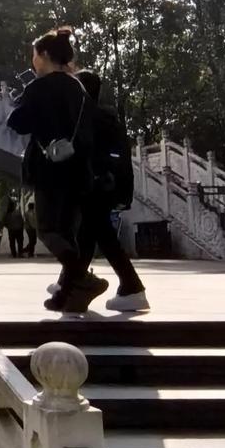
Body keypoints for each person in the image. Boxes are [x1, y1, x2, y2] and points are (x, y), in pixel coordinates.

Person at [6, 25, 99, 314]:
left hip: (48, 169)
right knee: (67, 232)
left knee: (47, 229)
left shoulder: (38, 87)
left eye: (34, 55)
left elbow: (17, 122)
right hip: (79, 169)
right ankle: (68, 297)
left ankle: (84, 279)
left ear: (44, 54)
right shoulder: (79, 87)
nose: (33, 60)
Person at [76, 70, 149, 313]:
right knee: (93, 233)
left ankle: (131, 287)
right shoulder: (104, 117)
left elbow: (90, 154)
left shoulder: (90, 118)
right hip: (106, 185)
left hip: (98, 185)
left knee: (98, 234)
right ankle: (74, 282)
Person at [22, 190, 38, 257]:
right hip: (30, 228)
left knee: (33, 241)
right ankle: (29, 252)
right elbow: (31, 221)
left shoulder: (30, 213)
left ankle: (29, 251)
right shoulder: (30, 213)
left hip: (30, 228)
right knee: (33, 241)